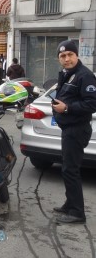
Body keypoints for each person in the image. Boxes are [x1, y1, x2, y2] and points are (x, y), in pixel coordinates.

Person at [51, 40, 96, 224]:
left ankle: (77, 212)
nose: (66, 59)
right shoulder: (67, 74)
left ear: (77, 55)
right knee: (67, 168)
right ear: (59, 59)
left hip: (77, 129)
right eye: (63, 56)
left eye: (70, 55)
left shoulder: (85, 76)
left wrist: (67, 108)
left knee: (71, 170)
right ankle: (70, 204)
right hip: (68, 129)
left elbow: (92, 104)